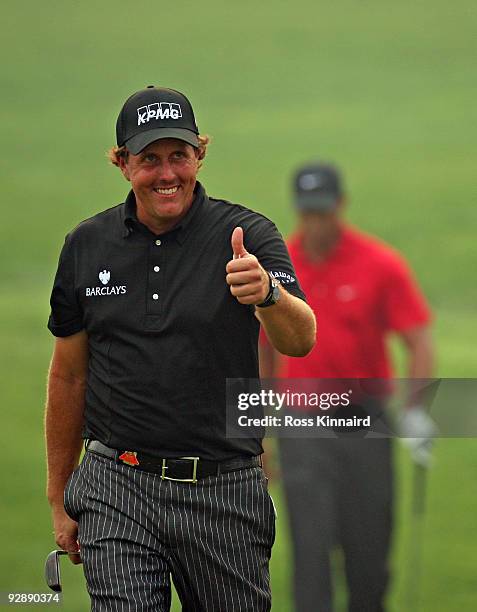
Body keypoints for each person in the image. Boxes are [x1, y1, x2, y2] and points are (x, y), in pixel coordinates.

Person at [44, 85, 316, 612]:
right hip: (115, 484)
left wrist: (267, 293)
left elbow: (301, 338)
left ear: (200, 155)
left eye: (179, 157)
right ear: (123, 163)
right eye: (149, 160)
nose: (167, 174)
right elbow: (69, 377)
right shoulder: (86, 245)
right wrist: (60, 497)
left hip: (224, 488)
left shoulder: (248, 234)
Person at [259, 162, 435, 612]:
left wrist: (416, 407)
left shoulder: (380, 263)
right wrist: (254, 432)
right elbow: (261, 354)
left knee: (369, 555)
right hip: (303, 425)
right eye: (308, 212)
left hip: (366, 422)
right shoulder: (277, 271)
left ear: (340, 205)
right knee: (310, 555)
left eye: (324, 211)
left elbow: (418, 340)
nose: (316, 222)